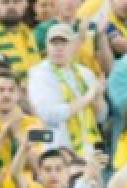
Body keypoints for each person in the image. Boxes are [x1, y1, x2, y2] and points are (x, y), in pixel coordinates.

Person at [27, 23, 108, 155]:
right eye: (54, 43)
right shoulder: (39, 74)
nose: (58, 48)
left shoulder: (85, 73)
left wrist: (98, 96)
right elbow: (50, 114)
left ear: (72, 46)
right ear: (47, 47)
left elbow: (101, 116)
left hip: (87, 149)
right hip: (56, 150)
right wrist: (89, 96)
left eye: (63, 43)